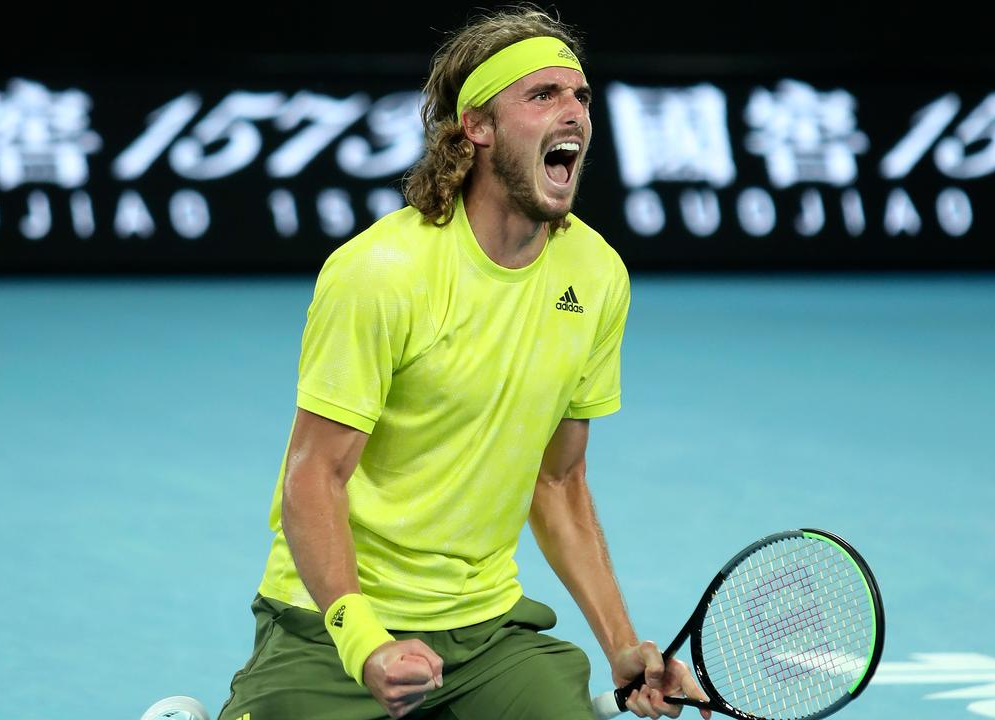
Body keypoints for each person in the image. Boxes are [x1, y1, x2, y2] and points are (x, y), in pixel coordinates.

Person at [217, 7, 709, 720]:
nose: (573, 112)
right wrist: (365, 643)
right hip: (338, 623)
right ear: (476, 127)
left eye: (581, 96)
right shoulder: (381, 272)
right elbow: (312, 478)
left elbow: (559, 478)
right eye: (542, 96)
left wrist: (623, 645)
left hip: (487, 633)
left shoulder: (597, 275)